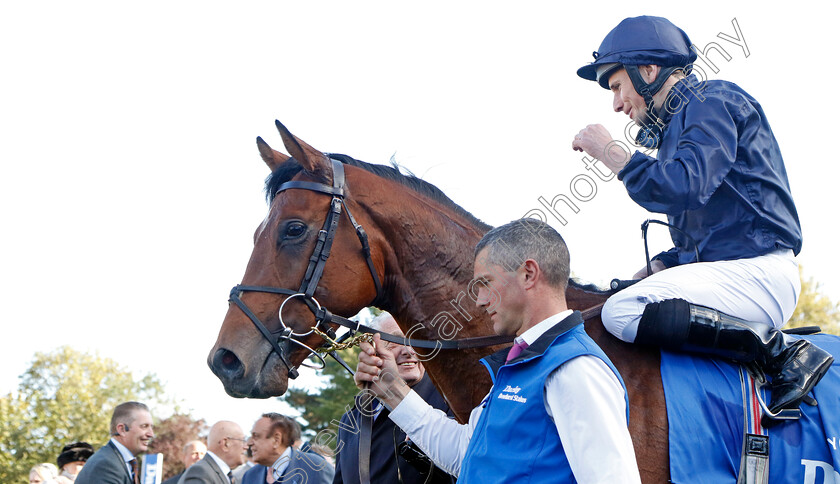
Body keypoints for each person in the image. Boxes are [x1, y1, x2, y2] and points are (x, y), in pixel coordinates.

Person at [572, 15, 833, 419]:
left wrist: (611, 152)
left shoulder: (710, 101)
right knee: (620, 299)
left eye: (618, 86)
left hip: (760, 273)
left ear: (648, 70)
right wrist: (660, 264)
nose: (617, 104)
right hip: (735, 273)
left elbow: (683, 186)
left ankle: (781, 351)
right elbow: (703, 237)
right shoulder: (679, 127)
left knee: (621, 311)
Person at [355, 219, 641, 483]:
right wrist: (391, 389)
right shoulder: (525, 365)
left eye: (485, 283)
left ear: (528, 274)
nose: (479, 300)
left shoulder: (574, 369)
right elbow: (467, 455)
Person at [333, 312, 455, 484]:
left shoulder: (451, 401)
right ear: (371, 350)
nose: (409, 350)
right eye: (395, 341)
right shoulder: (351, 420)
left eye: (415, 340)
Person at [241, 413, 334, 484]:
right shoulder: (249, 476)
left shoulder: (316, 468)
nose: (249, 443)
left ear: (276, 440)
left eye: (256, 436)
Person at [75, 401, 155, 484]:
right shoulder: (106, 465)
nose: (151, 434)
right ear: (122, 429)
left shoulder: (122, 462)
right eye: (144, 426)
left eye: (151, 427)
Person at [178, 421, 247, 484]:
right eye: (243, 441)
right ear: (226, 444)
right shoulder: (201, 472)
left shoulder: (223, 474)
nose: (246, 446)